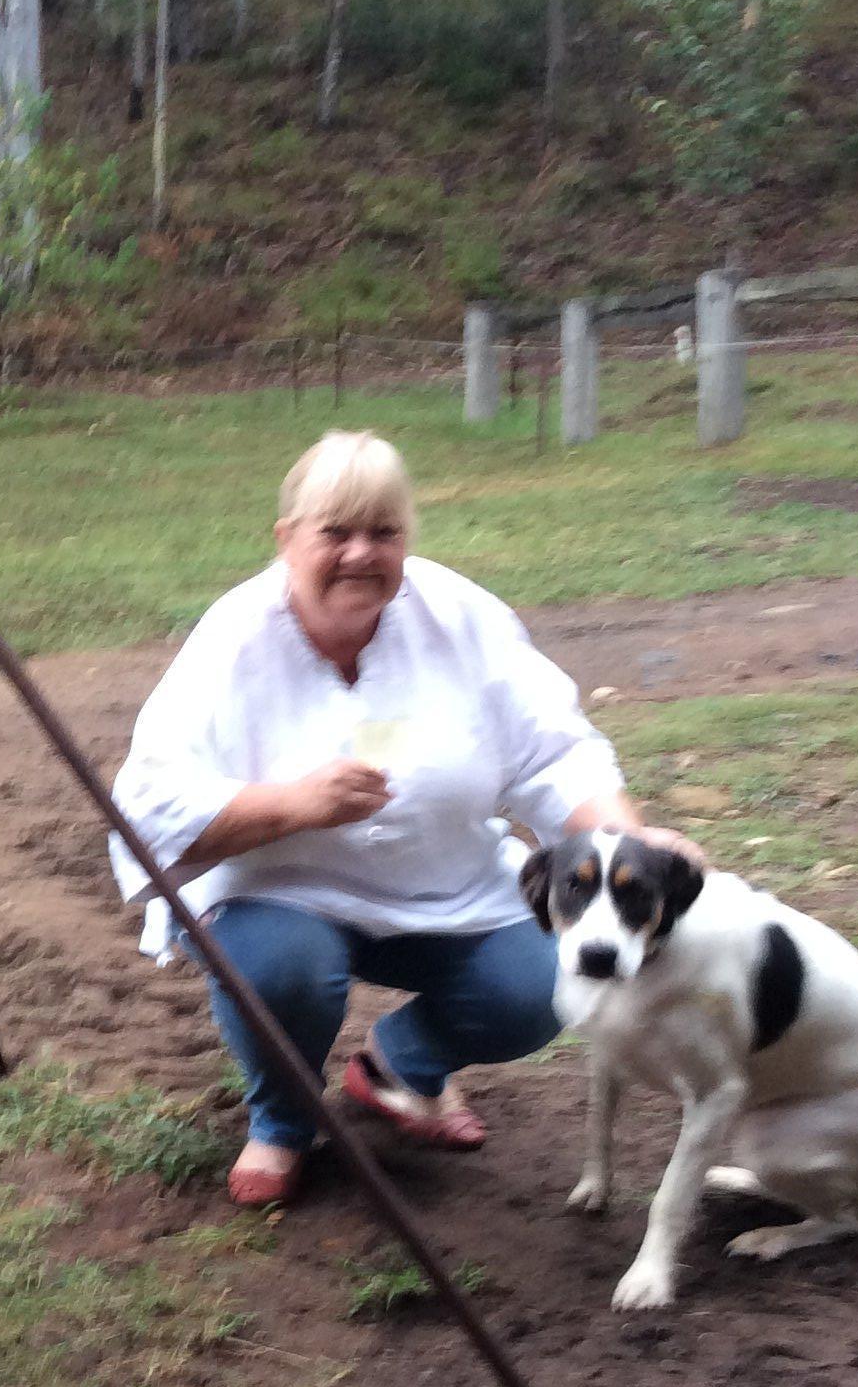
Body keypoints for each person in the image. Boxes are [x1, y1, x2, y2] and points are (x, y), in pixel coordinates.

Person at [110, 429, 660, 1208]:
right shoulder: (232, 640)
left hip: (449, 885)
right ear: (287, 539)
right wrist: (289, 806)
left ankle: (399, 1065)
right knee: (281, 971)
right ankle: (284, 1121)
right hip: (286, 892)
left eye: (385, 532)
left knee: (548, 984)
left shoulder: (463, 618)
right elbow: (149, 807)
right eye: (336, 532)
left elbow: (554, 753)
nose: (361, 553)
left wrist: (621, 837)